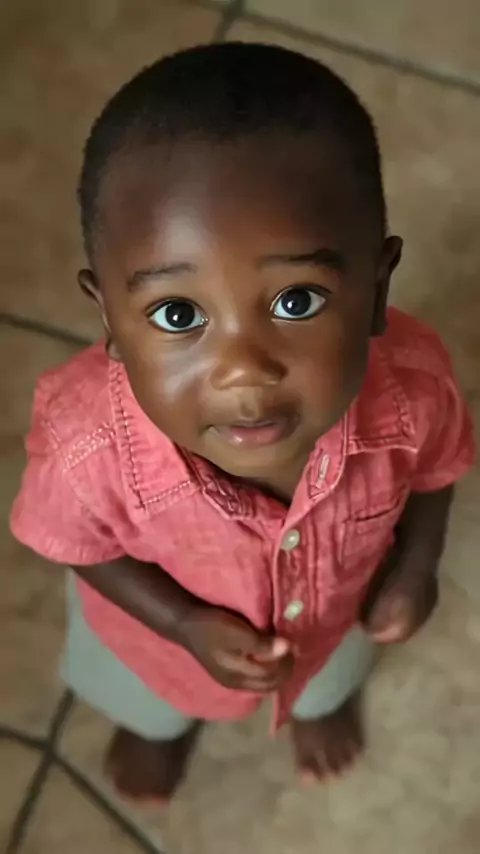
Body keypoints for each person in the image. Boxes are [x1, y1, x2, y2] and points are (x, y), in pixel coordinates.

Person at [11, 42, 475, 805]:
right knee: (148, 696)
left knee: (329, 672)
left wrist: (416, 566)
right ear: (110, 317)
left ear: (376, 288)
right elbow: (82, 547)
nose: (242, 369)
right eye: (177, 314)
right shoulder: (85, 445)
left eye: (297, 301)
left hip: (333, 617)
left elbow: (436, 470)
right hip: (157, 644)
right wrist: (182, 623)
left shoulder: (413, 390)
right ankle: (158, 726)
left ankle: (316, 705)